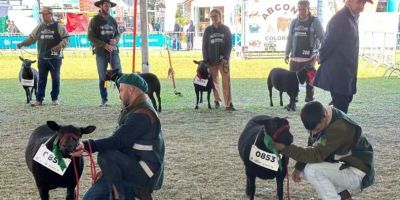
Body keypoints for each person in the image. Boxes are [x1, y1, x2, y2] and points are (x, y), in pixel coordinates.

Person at [70, 74, 165, 200]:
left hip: (144, 172)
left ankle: (122, 196)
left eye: (121, 90)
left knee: (106, 154)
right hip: (130, 164)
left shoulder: (142, 114)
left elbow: (118, 141)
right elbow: (122, 143)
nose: (119, 95)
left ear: (130, 90)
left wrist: (87, 146)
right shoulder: (137, 108)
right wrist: (108, 169)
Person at [274, 101, 375, 200]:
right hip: (345, 164)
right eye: (311, 130)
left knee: (312, 170)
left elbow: (316, 154)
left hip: (358, 172)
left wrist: (284, 148)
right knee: (305, 170)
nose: (314, 132)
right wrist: (299, 167)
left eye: (317, 129)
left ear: (325, 116)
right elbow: (312, 146)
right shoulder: (319, 116)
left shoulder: (340, 127)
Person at [314, 0, 373, 113]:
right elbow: (328, 43)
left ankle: (331, 121)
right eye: (359, 2)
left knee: (341, 107)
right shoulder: (341, 19)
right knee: (341, 111)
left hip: (346, 74)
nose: (362, 7)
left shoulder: (351, 17)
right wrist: (320, 57)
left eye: (364, 3)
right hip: (339, 75)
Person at [17, 7, 69, 106]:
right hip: (42, 58)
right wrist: (22, 43)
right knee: (41, 79)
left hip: (55, 58)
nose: (43, 16)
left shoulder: (59, 26)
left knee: (55, 79)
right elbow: (32, 38)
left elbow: (66, 39)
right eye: (42, 14)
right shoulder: (40, 26)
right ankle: (39, 100)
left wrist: (58, 46)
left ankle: (55, 99)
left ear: (51, 14)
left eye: (45, 14)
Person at [285, 0, 325, 102]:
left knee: (310, 80)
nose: (301, 12)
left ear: (308, 9)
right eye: (300, 9)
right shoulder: (294, 22)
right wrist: (286, 53)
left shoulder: (315, 21)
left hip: (310, 57)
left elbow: (323, 38)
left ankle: (309, 99)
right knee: (292, 79)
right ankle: (293, 99)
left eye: (304, 9)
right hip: (295, 57)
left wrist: (321, 53)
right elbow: (290, 38)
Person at [88, 0, 122, 107]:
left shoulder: (112, 20)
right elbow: (91, 37)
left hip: (114, 52)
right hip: (101, 53)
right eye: (106, 5)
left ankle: (124, 98)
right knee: (103, 77)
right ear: (101, 6)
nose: (108, 7)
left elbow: (117, 34)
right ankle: (104, 100)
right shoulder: (95, 20)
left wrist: (115, 41)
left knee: (119, 75)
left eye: (109, 5)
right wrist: (104, 45)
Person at [202, 9, 235, 111]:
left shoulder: (226, 29)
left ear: (220, 16)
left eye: (215, 16)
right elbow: (204, 46)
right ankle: (217, 100)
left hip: (223, 61)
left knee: (226, 82)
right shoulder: (208, 30)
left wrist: (226, 57)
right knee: (214, 81)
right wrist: (206, 59)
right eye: (212, 17)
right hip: (211, 61)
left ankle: (228, 103)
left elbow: (229, 44)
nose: (214, 18)